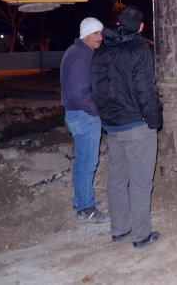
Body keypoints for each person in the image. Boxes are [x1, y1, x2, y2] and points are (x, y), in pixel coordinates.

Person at [91, 6, 163, 248]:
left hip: (112, 125)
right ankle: (141, 235)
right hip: (136, 124)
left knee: (117, 178)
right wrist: (154, 121)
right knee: (141, 180)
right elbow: (146, 90)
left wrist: (106, 119)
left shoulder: (102, 51)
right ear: (141, 27)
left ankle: (119, 230)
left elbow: (96, 89)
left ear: (118, 23)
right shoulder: (139, 50)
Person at [60, 17, 109, 223]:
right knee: (88, 163)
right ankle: (86, 209)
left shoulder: (78, 52)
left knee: (83, 161)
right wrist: (95, 111)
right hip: (84, 115)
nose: (100, 38)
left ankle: (81, 201)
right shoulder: (80, 56)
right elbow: (79, 93)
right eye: (96, 33)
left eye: (101, 33)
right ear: (87, 34)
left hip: (78, 115)